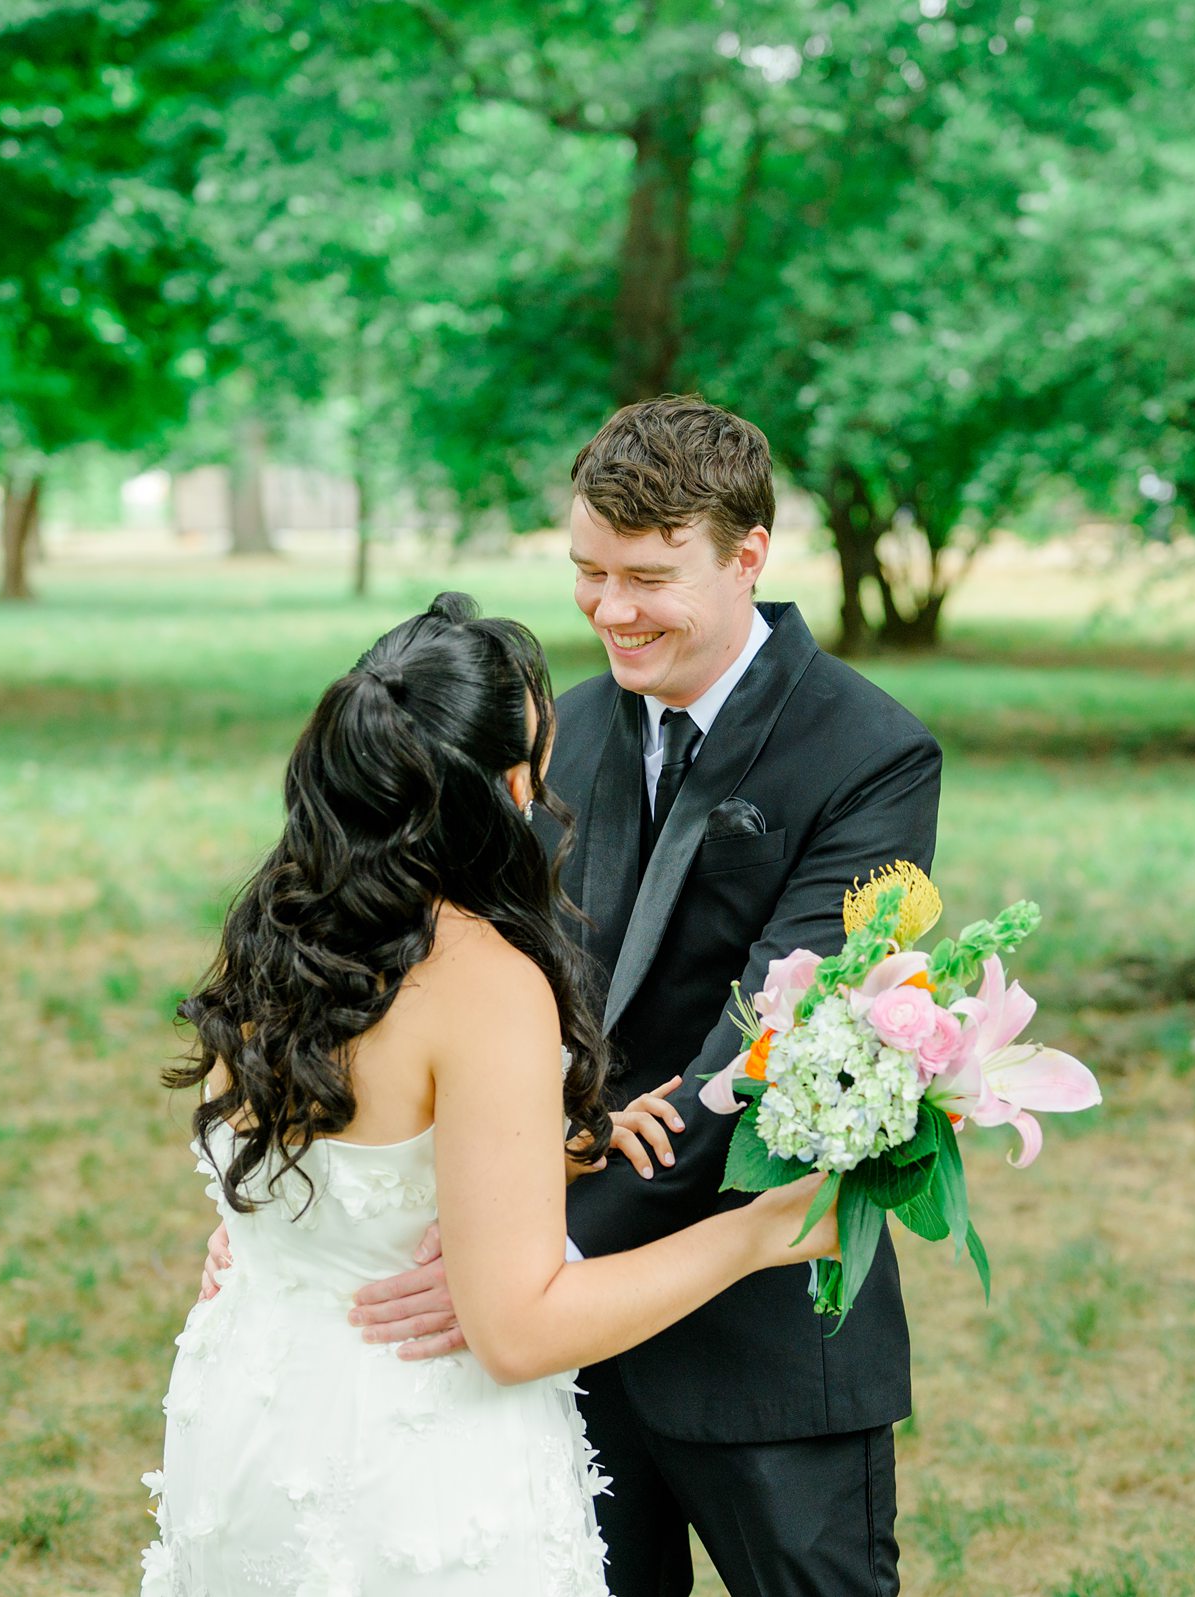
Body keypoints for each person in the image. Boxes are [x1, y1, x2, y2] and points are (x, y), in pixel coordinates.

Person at [344, 396, 942, 1596]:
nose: (611, 610)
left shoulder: (873, 753)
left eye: (648, 576)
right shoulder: (553, 726)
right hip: (556, 1353)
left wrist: (529, 1256)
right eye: (587, 572)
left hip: (761, 1330)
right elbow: (437, 962)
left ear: (747, 556)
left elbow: (774, 1039)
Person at [138, 592, 835, 1596]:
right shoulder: (483, 980)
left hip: (252, 1420)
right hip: (413, 1462)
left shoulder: (274, 932)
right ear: (507, 787)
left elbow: (350, 1162)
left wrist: (555, 1142)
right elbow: (518, 1331)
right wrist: (763, 1232)